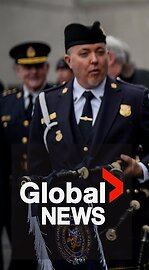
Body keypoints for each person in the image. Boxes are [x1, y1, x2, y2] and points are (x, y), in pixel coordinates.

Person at [27, 21, 149, 269]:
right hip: (69, 230)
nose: (95, 60)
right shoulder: (48, 103)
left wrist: (141, 168)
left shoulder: (134, 97)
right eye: (85, 53)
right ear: (69, 61)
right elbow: (36, 166)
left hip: (121, 223)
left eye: (100, 52)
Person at [0, 41, 54, 270]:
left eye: (38, 66)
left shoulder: (58, 98)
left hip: (51, 193)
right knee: (20, 258)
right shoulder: (5, 102)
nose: (33, 72)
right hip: (13, 194)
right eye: (27, 67)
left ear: (47, 67)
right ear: (17, 70)